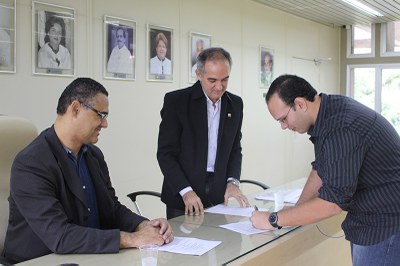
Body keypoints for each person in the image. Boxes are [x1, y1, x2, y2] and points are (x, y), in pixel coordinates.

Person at [3, 78, 173, 264]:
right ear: (75, 109)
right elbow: (60, 236)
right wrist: (131, 239)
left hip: (88, 257)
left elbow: (112, 209)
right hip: (40, 260)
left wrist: (144, 225)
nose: (105, 124)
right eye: (101, 115)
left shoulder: (93, 155)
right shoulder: (31, 163)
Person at [251, 74, 400, 265]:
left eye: (283, 119)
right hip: (372, 220)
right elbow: (321, 167)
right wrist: (298, 209)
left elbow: (332, 203)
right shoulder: (329, 112)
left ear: (300, 104)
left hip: (384, 226)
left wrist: (273, 219)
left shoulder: (341, 126)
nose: (284, 126)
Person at [157, 47, 250, 219]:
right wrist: (186, 191)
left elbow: (235, 149)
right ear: (198, 74)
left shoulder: (235, 104)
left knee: (225, 244)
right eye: (212, 80)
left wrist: (233, 182)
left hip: (218, 195)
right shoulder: (177, 102)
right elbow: (165, 154)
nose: (219, 87)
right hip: (183, 197)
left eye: (225, 80)